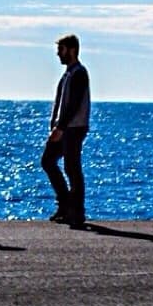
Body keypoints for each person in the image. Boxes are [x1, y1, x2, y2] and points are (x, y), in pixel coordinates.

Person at [44, 34, 91, 228]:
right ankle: (65, 204)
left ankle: (77, 211)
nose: (58, 54)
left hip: (73, 128)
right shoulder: (68, 74)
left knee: (72, 168)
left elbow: (73, 105)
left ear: (71, 50)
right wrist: (54, 124)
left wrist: (61, 127)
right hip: (63, 128)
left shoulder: (79, 73)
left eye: (61, 50)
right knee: (47, 161)